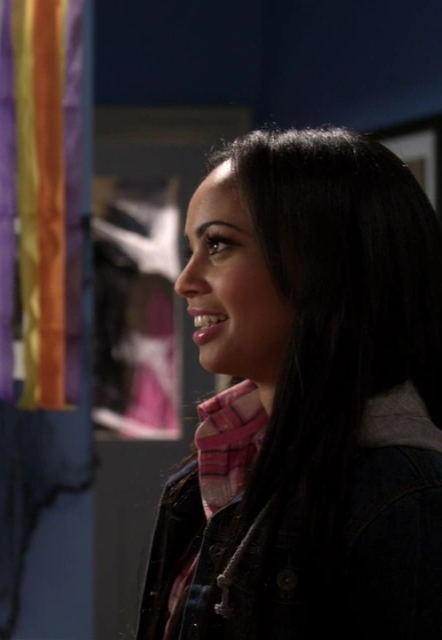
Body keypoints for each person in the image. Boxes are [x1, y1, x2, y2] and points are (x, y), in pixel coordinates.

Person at [136, 128, 442, 639]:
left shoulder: (407, 503)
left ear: (328, 264)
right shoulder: (201, 481)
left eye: (218, 244)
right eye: (192, 248)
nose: (184, 281)